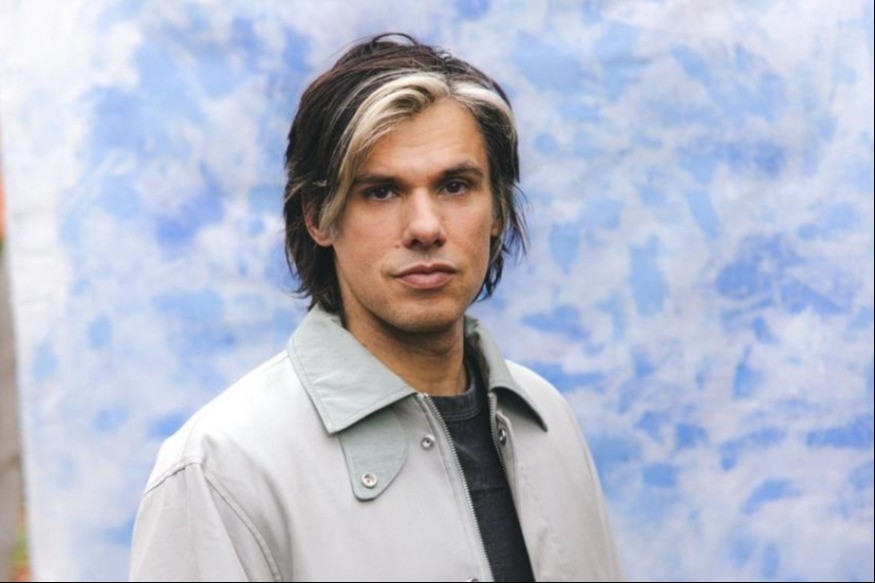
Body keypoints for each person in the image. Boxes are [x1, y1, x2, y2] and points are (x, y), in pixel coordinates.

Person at [130, 33, 623, 582]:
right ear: (318, 217)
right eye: (381, 192)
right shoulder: (221, 467)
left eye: (455, 186)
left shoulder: (550, 422)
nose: (425, 228)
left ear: (498, 210)